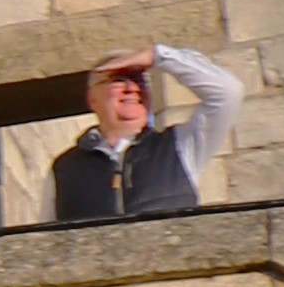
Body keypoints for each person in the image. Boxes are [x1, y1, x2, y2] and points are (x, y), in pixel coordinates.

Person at [51, 36, 242, 223]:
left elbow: (228, 92)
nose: (132, 88)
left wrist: (157, 56)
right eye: (118, 79)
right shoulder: (64, 168)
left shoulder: (179, 147)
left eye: (139, 80)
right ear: (92, 98)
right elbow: (43, 236)